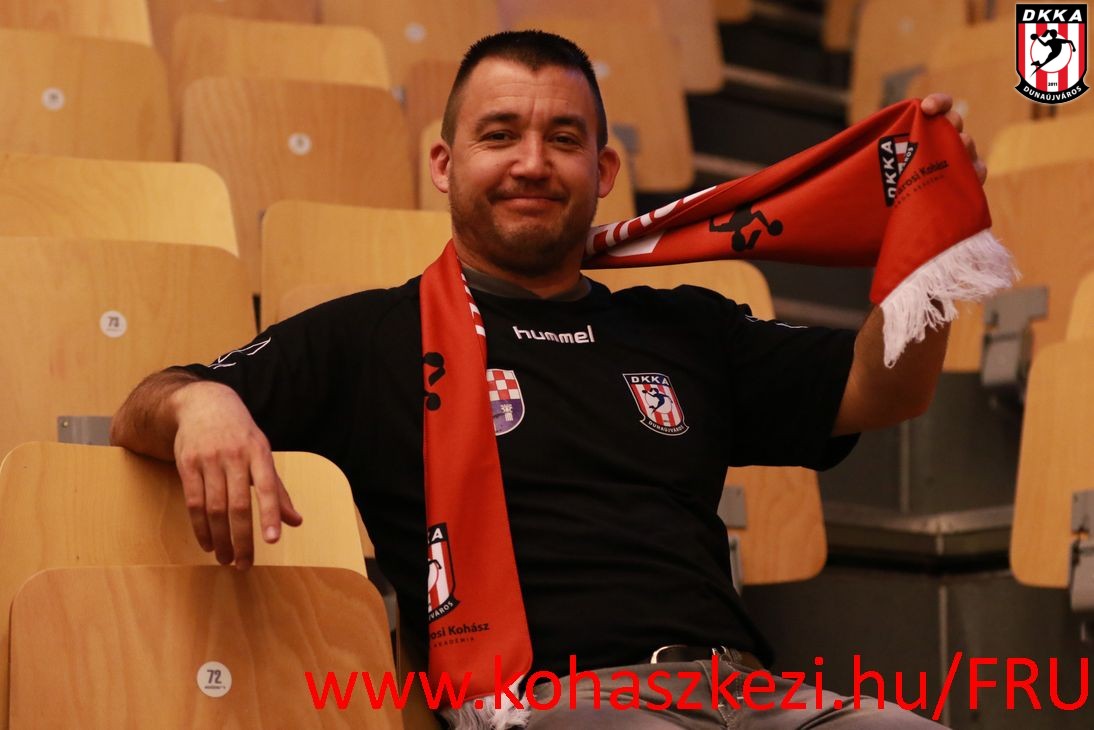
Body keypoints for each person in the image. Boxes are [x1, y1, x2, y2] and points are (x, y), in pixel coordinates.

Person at [111, 30, 986, 729]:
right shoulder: (370, 335)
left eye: (563, 139)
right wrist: (202, 401)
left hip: (750, 695)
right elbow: (147, 401)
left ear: (602, 173)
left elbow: (884, 390)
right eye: (499, 136)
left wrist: (933, 241)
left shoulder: (686, 325)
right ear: (444, 164)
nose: (531, 162)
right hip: (551, 704)